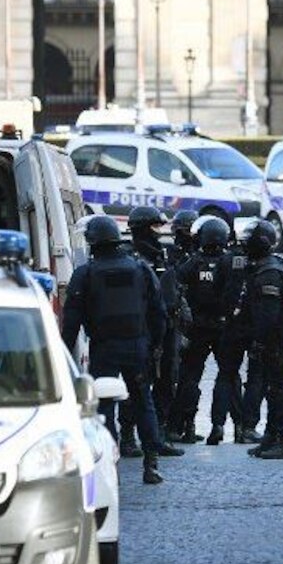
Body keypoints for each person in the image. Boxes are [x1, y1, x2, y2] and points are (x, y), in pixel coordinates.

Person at [60, 215, 169, 485]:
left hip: (104, 348)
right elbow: (159, 312)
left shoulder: (85, 273)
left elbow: (71, 320)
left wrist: (63, 358)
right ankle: (151, 463)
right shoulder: (141, 269)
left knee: (103, 406)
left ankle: (109, 462)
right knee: (144, 401)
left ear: (92, 242)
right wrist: (155, 344)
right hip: (137, 346)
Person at [124, 206, 186, 457]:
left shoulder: (165, 254)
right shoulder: (129, 256)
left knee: (166, 381)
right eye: (155, 227)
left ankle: (157, 434)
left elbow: (177, 288)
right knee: (137, 384)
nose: (160, 232)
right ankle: (127, 436)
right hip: (141, 328)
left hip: (167, 326)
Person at [165, 216, 231, 444]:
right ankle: (224, 425)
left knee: (189, 378)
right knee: (227, 377)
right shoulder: (230, 262)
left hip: (196, 327)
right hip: (224, 327)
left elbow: (176, 285)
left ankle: (182, 425)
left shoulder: (193, 262)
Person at [241, 219, 283, 460]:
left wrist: (260, 341)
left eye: (249, 241)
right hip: (272, 339)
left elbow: (269, 315)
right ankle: (271, 437)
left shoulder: (270, 272)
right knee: (269, 389)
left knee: (278, 389)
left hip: (275, 340)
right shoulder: (266, 266)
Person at [213, 221, 260, 444]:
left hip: (231, 325)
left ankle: (217, 426)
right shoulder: (267, 261)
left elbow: (216, 290)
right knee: (255, 378)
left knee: (225, 375)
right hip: (254, 326)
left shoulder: (226, 259)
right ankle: (245, 427)